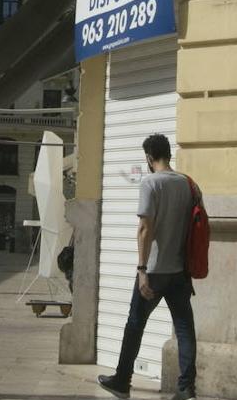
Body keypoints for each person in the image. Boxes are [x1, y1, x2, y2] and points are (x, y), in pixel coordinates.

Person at [98, 134, 198, 400]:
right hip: (178, 270)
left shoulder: (151, 183)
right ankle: (186, 385)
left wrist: (142, 270)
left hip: (153, 270)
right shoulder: (187, 184)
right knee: (185, 327)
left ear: (149, 157)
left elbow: (145, 228)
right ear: (168, 154)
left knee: (135, 323)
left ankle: (122, 380)